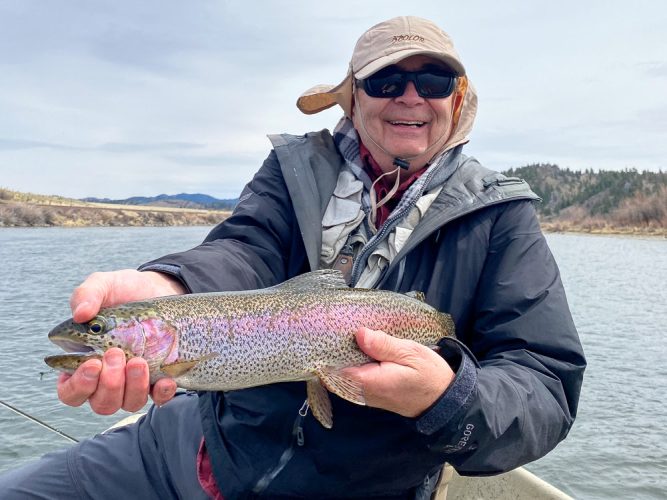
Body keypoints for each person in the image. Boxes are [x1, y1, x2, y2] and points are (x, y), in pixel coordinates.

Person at [0, 16, 585, 499]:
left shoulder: (501, 217)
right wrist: (172, 285)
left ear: (455, 101)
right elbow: (244, 249)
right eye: (385, 82)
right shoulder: (293, 170)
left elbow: (545, 384)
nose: (410, 96)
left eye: (432, 81)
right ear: (353, 100)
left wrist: (447, 398)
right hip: (198, 443)